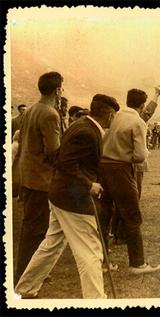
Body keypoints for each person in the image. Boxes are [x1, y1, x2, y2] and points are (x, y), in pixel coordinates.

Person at [15, 94, 119, 299]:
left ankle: (25, 288)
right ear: (108, 115)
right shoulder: (87, 132)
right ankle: (96, 301)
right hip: (73, 200)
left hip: (60, 195)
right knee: (90, 251)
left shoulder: (82, 124)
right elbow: (65, 164)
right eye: (114, 115)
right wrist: (89, 184)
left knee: (51, 245)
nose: (114, 119)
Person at [99, 88, 160, 274]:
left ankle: (102, 261)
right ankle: (137, 263)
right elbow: (140, 155)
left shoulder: (114, 116)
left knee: (104, 214)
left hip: (103, 167)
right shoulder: (138, 122)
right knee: (132, 215)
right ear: (142, 105)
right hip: (121, 169)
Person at [15, 72, 63, 284]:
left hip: (28, 177)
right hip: (41, 180)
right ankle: (26, 274)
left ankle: (28, 271)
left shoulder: (31, 110)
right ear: (58, 90)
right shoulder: (50, 114)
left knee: (31, 227)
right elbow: (53, 150)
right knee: (36, 229)